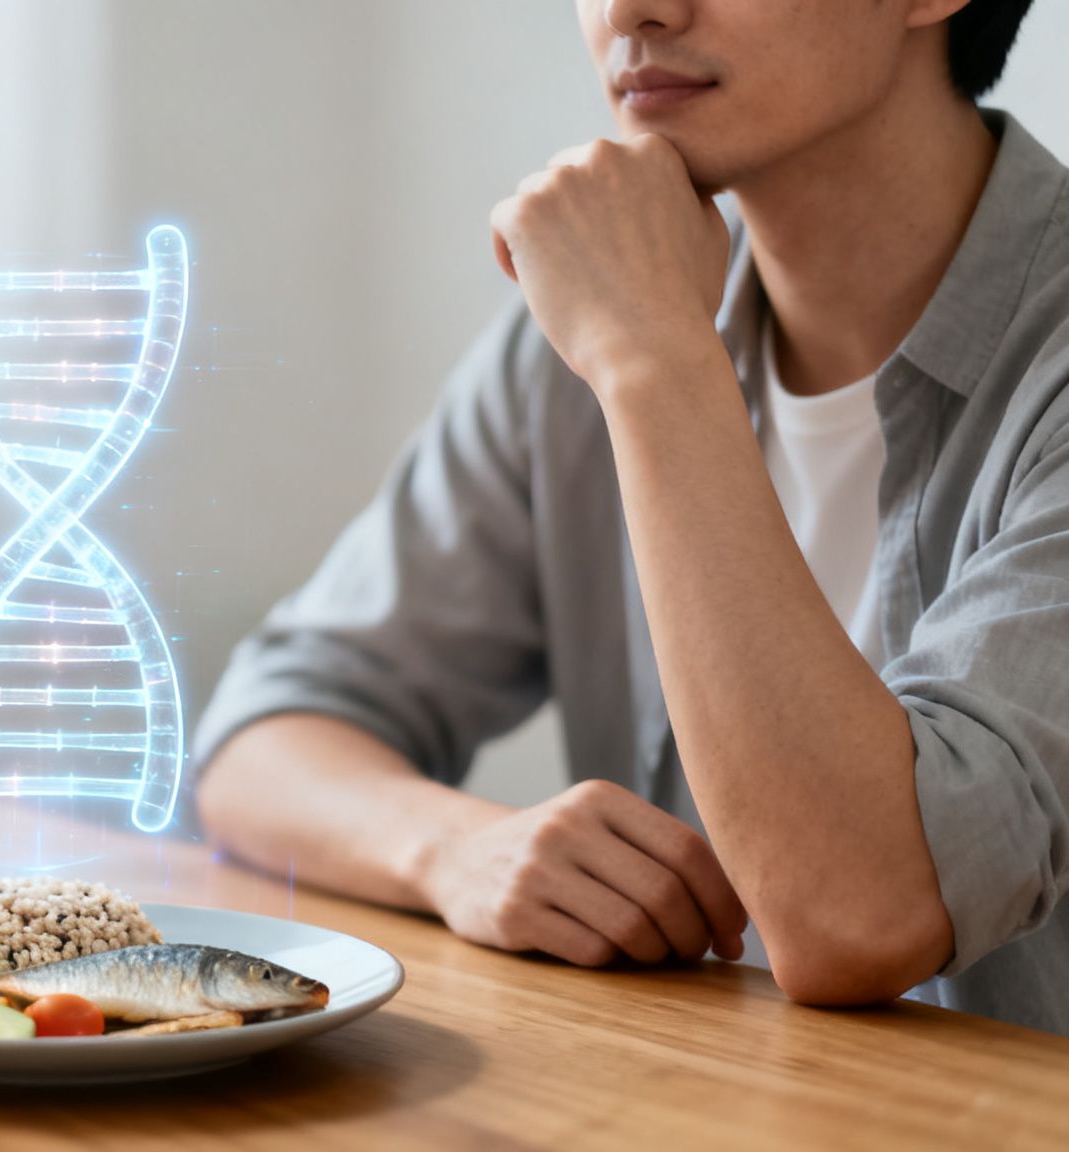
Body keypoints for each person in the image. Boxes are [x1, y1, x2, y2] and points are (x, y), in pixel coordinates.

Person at [193, 0, 1069, 1034]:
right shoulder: (606, 307)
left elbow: (853, 914)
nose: (625, 10)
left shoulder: (627, 323)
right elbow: (261, 738)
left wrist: (653, 365)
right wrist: (451, 850)